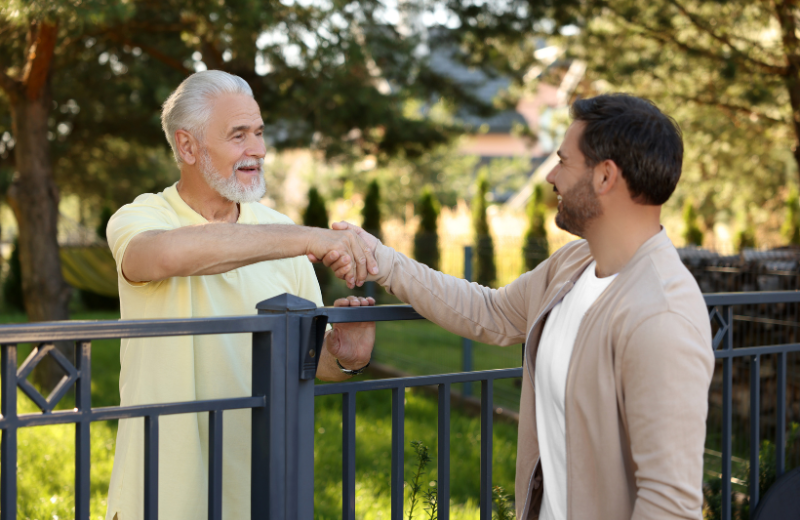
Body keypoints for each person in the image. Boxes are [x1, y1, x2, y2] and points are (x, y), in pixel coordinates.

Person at [329, 94, 714, 519]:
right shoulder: (573, 265)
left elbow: (670, 505)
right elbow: (489, 312)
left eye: (564, 162)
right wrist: (381, 259)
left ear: (605, 176)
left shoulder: (661, 317)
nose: (551, 176)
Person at [105, 70, 378, 520]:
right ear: (188, 146)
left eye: (259, 132)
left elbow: (309, 363)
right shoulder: (143, 217)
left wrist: (344, 355)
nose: (259, 150)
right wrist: (306, 238)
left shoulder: (284, 234)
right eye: (239, 135)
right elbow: (162, 257)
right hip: (162, 494)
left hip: (263, 494)